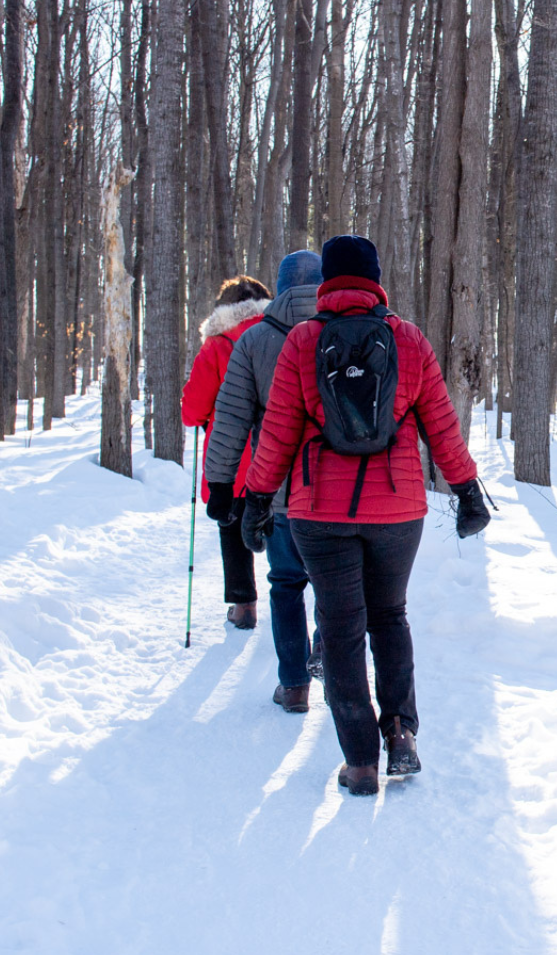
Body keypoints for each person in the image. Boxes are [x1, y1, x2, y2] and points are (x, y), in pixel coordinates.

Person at [241, 235, 491, 796]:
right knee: (390, 617)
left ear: (326, 281)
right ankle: (400, 733)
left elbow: (277, 432)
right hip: (397, 510)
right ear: (376, 279)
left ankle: (360, 764)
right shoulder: (407, 339)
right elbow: (442, 425)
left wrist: (257, 501)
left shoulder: (303, 342)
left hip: (318, 511)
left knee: (340, 629)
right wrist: (466, 490)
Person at [203, 250, 326, 713]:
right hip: (337, 493)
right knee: (332, 585)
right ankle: (327, 652)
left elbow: (231, 419)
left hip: (276, 491)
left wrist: (220, 485)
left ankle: (293, 686)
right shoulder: (346, 330)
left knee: (286, 584)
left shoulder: (254, 340)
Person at [181, 275, 272, 630]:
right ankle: (296, 605)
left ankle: (243, 604)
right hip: (278, 457)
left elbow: (192, 412)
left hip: (231, 462)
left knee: (232, 528)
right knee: (285, 531)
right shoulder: (282, 335)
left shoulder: (217, 345)